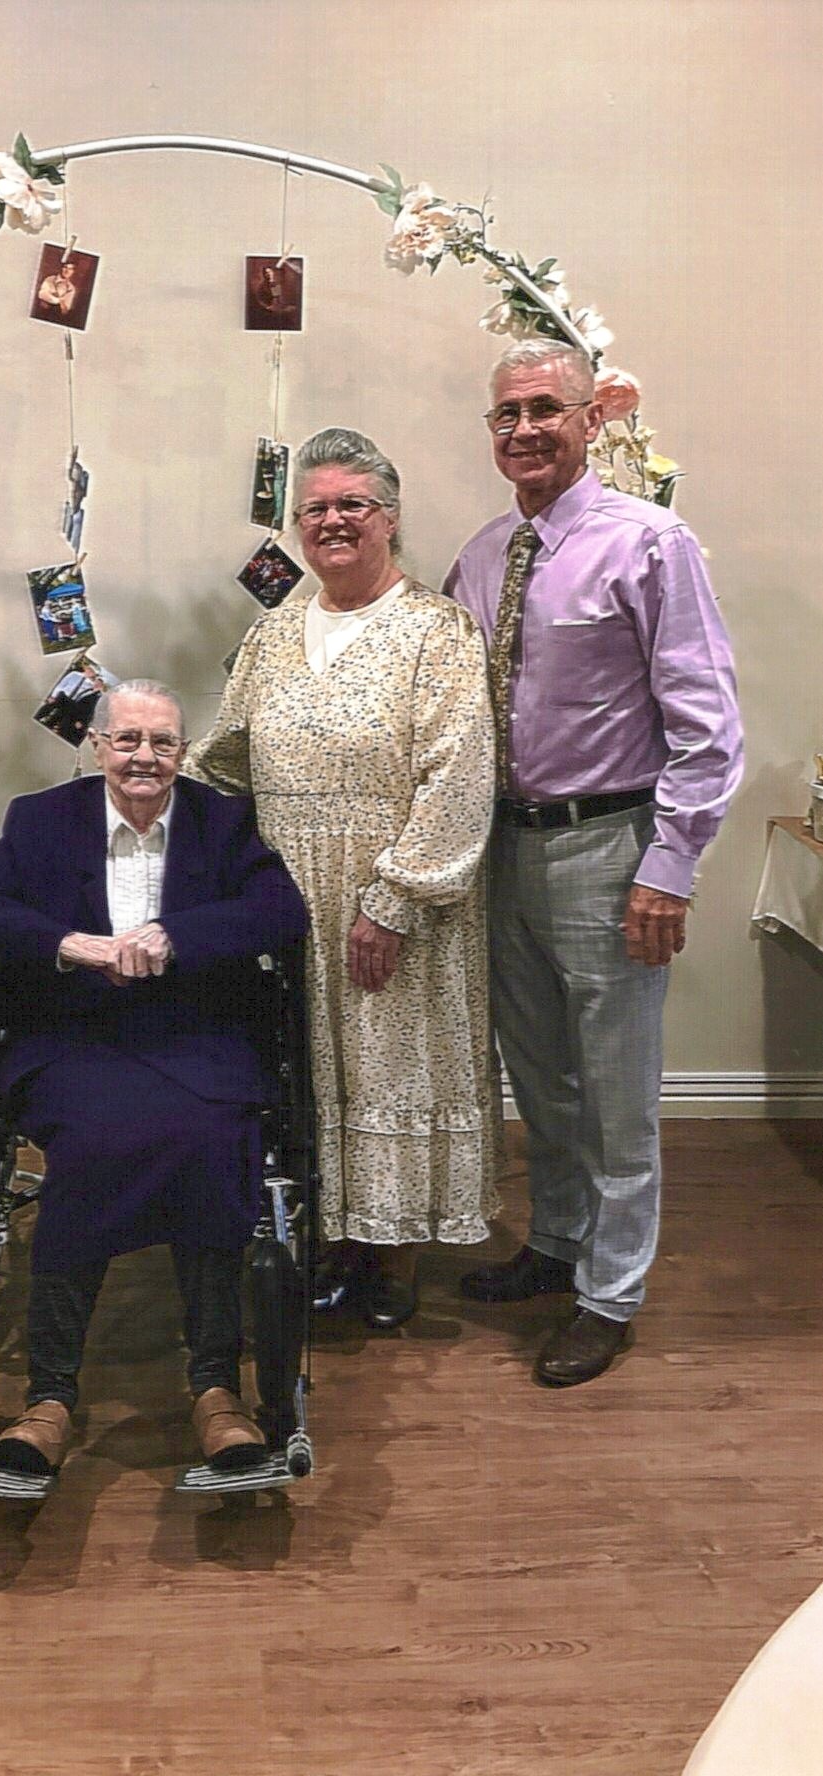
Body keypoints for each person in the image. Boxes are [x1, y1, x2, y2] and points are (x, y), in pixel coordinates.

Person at [444, 338, 743, 1386]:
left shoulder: (648, 542)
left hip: (609, 848)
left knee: (615, 1091)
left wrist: (668, 866)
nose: (524, 429)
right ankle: (558, 1239)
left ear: (589, 419)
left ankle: (609, 1293)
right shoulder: (482, 555)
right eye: (506, 414)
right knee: (539, 1074)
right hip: (503, 850)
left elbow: (706, 723)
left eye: (544, 409)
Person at [0, 680, 308, 1475]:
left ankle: (216, 1389)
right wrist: (70, 944)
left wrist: (175, 935)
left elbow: (283, 912)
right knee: (95, 1140)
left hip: (196, 1034)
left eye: (162, 742)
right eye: (128, 740)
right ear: (98, 745)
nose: (144, 757)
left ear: (183, 752)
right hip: (74, 1036)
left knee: (212, 1137)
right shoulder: (42, 820)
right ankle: (49, 1397)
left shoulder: (221, 821)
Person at [190, 428, 497, 1331]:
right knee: (308, 1072)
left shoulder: (436, 631)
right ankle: (331, 1241)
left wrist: (393, 900)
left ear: (389, 520)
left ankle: (392, 1258)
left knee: (391, 1067)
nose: (331, 522)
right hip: (287, 894)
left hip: (394, 895)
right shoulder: (272, 632)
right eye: (315, 508)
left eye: (351, 505)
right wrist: (147, 796)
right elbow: (226, 759)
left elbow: (459, 775)